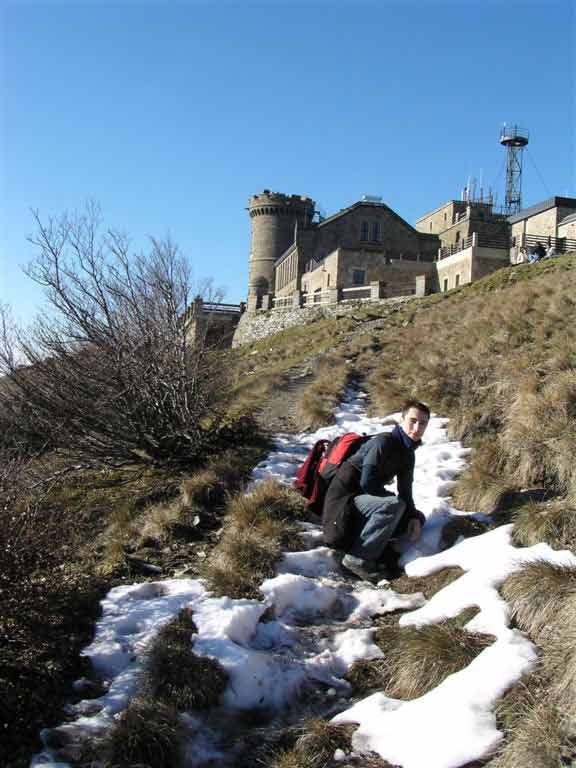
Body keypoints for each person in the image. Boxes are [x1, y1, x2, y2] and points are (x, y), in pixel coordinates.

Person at [323, 399, 430, 583]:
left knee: (415, 517)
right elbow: (367, 483)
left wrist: (413, 517)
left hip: (362, 503)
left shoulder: (407, 454)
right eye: (413, 420)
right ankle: (358, 559)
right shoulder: (383, 443)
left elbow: (405, 491)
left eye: (423, 423)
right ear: (401, 420)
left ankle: (380, 550)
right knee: (394, 505)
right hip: (343, 503)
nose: (417, 427)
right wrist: (395, 503)